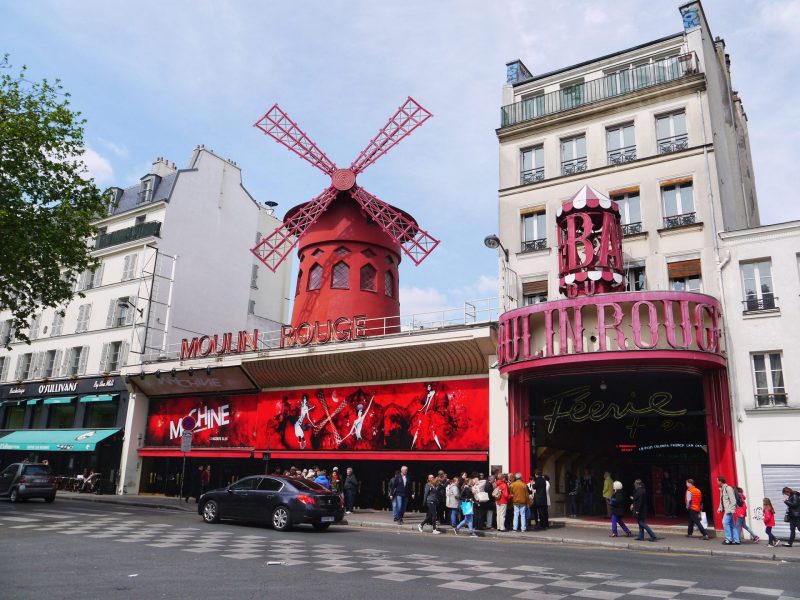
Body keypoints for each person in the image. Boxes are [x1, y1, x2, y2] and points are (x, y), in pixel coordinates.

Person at [717, 476, 740, 545]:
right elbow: (722, 501)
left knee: (724, 522)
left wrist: (731, 510)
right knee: (732, 525)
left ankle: (728, 539)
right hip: (727, 510)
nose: (717, 482)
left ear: (721, 481)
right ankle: (736, 540)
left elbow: (733, 500)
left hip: (729, 510)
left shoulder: (728, 488)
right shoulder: (722, 489)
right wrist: (720, 508)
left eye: (717, 481)